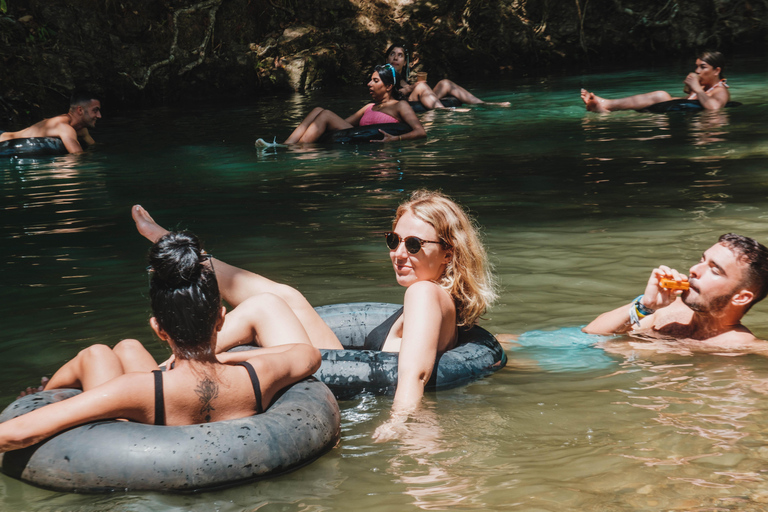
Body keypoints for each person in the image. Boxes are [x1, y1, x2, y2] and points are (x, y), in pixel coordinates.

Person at [131, 191, 498, 441]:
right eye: (393, 240)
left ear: (448, 253)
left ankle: (163, 377)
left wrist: (402, 421)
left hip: (353, 392)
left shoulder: (423, 293)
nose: (399, 253)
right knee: (286, 296)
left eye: (414, 244)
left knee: (266, 306)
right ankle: (179, 249)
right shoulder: (440, 297)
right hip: (346, 369)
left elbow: (415, 370)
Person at [0, 230, 321, 452]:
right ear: (221, 319)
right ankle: (47, 392)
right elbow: (306, 353)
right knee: (127, 347)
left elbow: (17, 433)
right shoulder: (258, 376)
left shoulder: (137, 391)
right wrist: (224, 359)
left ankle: (45, 394)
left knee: (96, 353)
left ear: (159, 329)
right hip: (216, 407)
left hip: (150, 435)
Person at [583, 234, 768, 354]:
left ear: (741, 297)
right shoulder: (668, 310)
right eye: (701, 260)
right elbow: (591, 333)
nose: (694, 269)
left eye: (715, 270)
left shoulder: (740, 346)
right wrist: (645, 306)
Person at [255, 64, 425, 146]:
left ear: (388, 86)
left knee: (326, 114)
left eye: (375, 81)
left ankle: (296, 150)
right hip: (354, 134)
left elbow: (420, 132)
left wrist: (396, 138)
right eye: (370, 80)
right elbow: (343, 123)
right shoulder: (368, 107)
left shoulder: (400, 106)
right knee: (318, 110)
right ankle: (284, 145)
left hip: (375, 145)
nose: (369, 84)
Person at [581, 51, 730, 113]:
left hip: (693, 120)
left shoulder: (721, 90)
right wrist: (692, 89)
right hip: (676, 111)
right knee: (661, 96)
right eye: (696, 66)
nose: (697, 71)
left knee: (661, 96)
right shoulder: (705, 87)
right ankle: (605, 106)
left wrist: (697, 90)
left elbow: (715, 108)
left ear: (716, 71)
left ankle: (604, 107)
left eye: (702, 67)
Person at [385, 43, 510, 110]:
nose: (396, 58)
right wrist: (411, 88)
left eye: (400, 55)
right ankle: (444, 110)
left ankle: (483, 104)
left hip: (417, 101)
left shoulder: (403, 78)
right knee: (421, 85)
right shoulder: (384, 75)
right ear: (387, 58)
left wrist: (412, 87)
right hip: (403, 106)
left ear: (405, 62)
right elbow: (388, 97)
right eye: (392, 54)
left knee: (445, 83)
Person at [0, 91, 102, 154]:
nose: (99, 116)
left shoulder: (82, 130)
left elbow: (94, 146)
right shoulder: (64, 127)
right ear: (80, 110)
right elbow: (77, 155)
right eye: (95, 110)